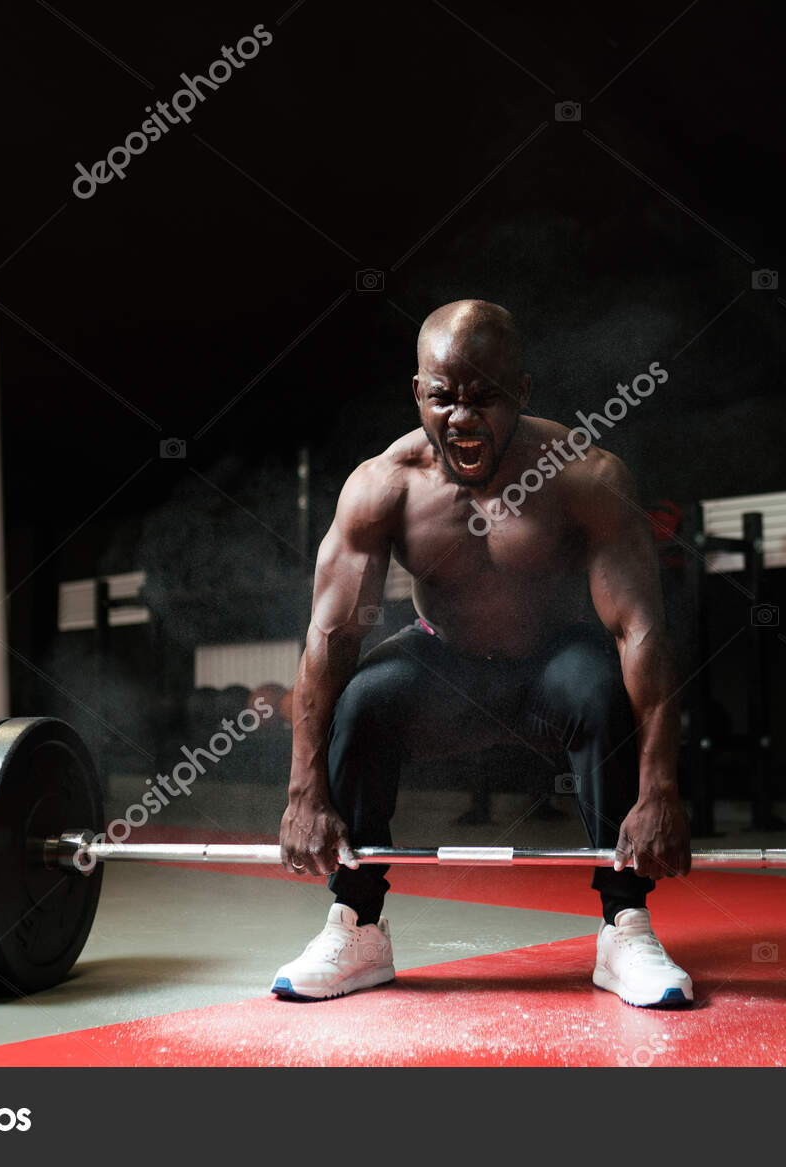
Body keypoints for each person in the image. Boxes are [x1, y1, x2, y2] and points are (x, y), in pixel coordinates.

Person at [272, 300, 693, 1007]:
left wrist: (661, 791)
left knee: (602, 686)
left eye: (482, 397)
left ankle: (625, 923)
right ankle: (355, 922)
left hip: (553, 667)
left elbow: (639, 631)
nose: (461, 417)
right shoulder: (386, 485)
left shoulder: (582, 476)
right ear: (417, 394)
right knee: (363, 698)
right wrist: (302, 792)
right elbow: (331, 637)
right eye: (443, 397)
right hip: (444, 667)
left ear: (522, 392)